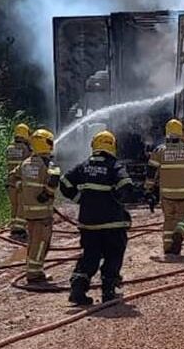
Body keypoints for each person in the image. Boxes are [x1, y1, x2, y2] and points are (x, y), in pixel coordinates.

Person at [59, 130, 136, 305]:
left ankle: (78, 289)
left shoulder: (84, 166)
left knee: (89, 255)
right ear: (112, 146)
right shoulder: (114, 165)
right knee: (113, 254)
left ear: (94, 145)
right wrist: (117, 200)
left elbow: (64, 183)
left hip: (88, 223)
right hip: (112, 224)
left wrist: (81, 200)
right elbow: (126, 186)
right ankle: (108, 290)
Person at [9, 128, 60, 287]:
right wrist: (46, 194)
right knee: (41, 244)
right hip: (43, 214)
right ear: (47, 144)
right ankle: (34, 274)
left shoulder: (26, 163)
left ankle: (34, 271)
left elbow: (12, 177)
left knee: (33, 242)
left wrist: (22, 187)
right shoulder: (49, 164)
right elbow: (54, 179)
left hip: (29, 213)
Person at [145, 118, 184, 255]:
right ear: (181, 133)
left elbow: (151, 172)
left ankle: (168, 247)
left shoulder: (159, 151)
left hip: (167, 195)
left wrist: (148, 191)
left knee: (169, 220)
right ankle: (180, 232)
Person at [5, 123, 32, 239]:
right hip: (21, 183)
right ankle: (19, 230)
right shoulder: (25, 149)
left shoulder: (9, 148)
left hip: (10, 182)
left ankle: (13, 227)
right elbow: (29, 163)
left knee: (14, 206)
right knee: (22, 206)